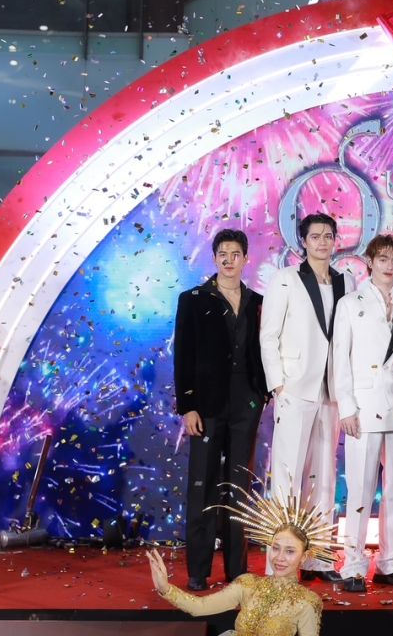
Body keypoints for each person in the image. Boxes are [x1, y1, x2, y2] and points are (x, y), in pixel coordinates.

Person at [260, 213, 354, 581]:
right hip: (295, 387)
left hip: (331, 390)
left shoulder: (346, 281)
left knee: (325, 476)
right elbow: (268, 335)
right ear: (303, 241)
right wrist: (277, 384)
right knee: (287, 476)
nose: (322, 242)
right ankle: (279, 566)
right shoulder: (285, 279)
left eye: (328, 235)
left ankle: (320, 559)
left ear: (335, 240)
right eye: (315, 236)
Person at [174, 228, 268, 590]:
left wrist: (262, 392)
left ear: (246, 259)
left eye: (235, 254)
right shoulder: (193, 299)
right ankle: (198, 571)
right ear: (214, 259)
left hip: (246, 402)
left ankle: (237, 570)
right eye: (222, 254)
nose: (229, 260)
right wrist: (188, 406)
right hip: (207, 405)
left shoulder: (258, 301)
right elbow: (183, 355)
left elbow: (264, 349)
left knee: (239, 486)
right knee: (203, 484)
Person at [331, 235, 393, 593]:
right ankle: (353, 564)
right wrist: (346, 407)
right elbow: (340, 359)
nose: (389, 266)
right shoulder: (349, 303)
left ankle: (392, 562)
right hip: (363, 407)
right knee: (359, 490)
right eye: (382, 259)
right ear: (370, 262)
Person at [147, 487, 332, 636]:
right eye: (276, 548)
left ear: (304, 556)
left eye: (290, 551)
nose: (280, 557)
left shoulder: (307, 602)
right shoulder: (248, 584)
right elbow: (200, 607)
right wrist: (166, 588)